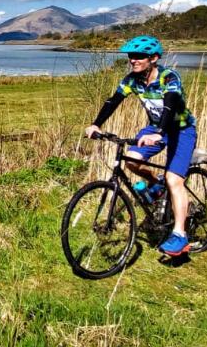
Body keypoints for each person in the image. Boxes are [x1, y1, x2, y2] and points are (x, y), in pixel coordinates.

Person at [84, 35, 197, 256]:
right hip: (155, 127)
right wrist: (96, 124)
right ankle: (156, 184)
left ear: (153, 58)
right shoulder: (131, 80)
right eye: (131, 56)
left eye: (139, 57)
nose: (133, 60)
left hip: (181, 130)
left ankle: (180, 235)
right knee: (132, 159)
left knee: (175, 180)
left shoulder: (168, 78)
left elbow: (170, 106)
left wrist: (160, 133)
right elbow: (113, 101)